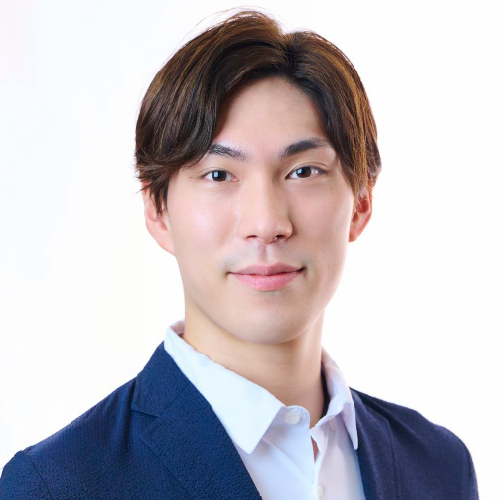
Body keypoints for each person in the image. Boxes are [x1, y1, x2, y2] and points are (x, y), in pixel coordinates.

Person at [0, 8, 478, 500]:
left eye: (304, 172)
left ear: (361, 203)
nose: (267, 224)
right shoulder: (57, 485)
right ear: (158, 210)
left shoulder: (439, 467)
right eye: (219, 175)